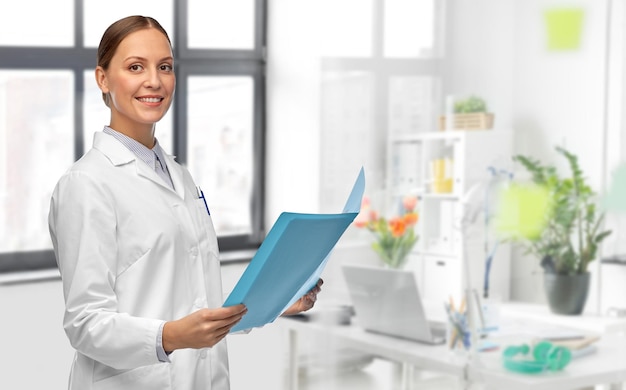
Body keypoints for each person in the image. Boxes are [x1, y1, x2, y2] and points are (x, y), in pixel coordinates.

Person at [48, 15, 322, 390]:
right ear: (103, 79)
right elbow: (85, 324)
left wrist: (272, 304)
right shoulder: (87, 183)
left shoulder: (179, 175)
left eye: (165, 67)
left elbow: (194, 300)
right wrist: (171, 336)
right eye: (135, 67)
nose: (154, 81)